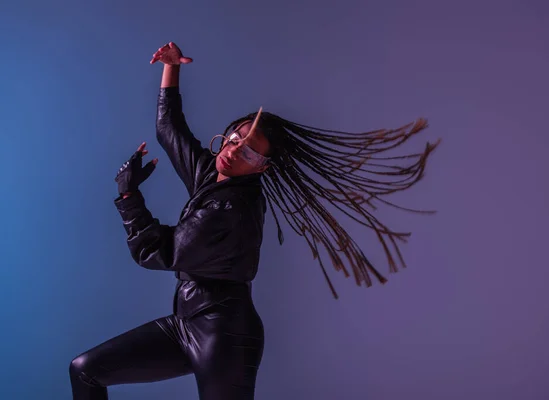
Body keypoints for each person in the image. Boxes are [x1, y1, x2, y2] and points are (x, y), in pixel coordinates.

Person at [69, 42, 439, 400]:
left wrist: (130, 198)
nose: (232, 151)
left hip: (224, 334)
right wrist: (172, 66)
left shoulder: (231, 208)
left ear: (262, 166)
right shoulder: (213, 176)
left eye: (247, 151)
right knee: (86, 369)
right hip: (185, 323)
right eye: (233, 139)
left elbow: (159, 252)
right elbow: (170, 130)